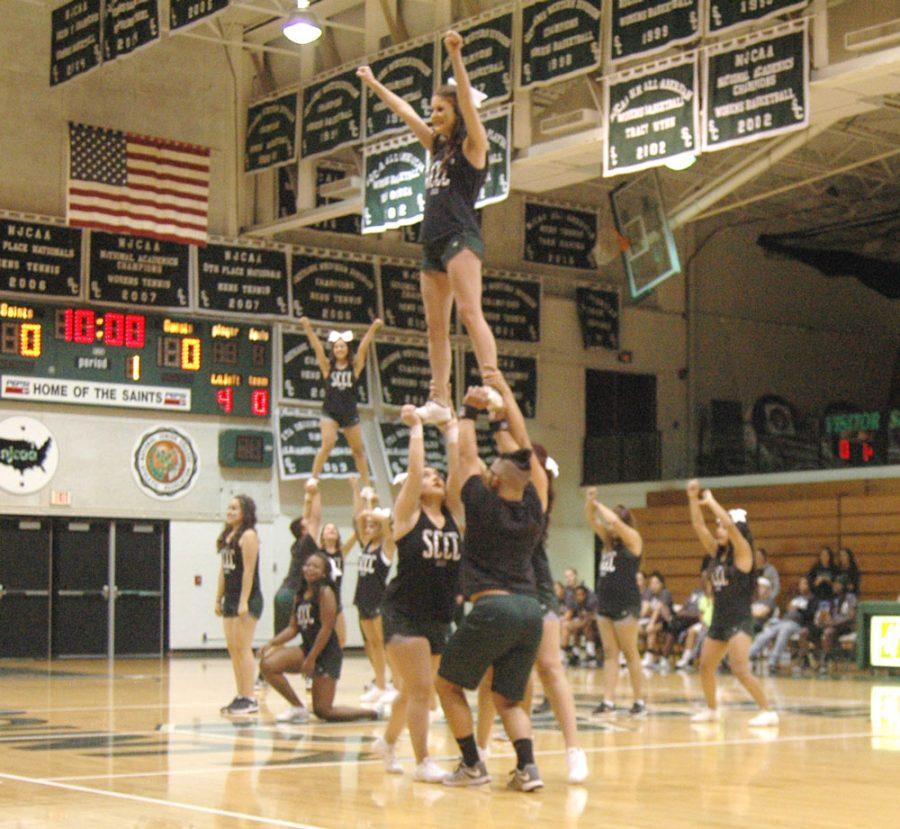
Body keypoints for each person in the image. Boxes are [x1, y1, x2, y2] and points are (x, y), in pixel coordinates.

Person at [358, 31, 497, 425]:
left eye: (440, 110)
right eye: (432, 109)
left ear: (457, 112)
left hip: (461, 238)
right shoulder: (437, 148)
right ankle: (439, 398)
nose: (433, 116)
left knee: (470, 313)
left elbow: (469, 110)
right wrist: (374, 85)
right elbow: (405, 114)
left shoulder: (474, 146)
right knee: (436, 329)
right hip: (433, 243)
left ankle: (493, 383)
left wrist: (455, 55)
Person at [435, 377, 548, 792]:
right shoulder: (534, 506)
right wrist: (500, 422)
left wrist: (467, 411)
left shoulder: (482, 503)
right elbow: (523, 458)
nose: (485, 467)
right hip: (530, 611)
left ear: (495, 482)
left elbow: (464, 455)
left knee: (447, 684)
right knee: (508, 699)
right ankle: (528, 769)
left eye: (490, 469)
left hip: (495, 607)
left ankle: (471, 765)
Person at [473, 403, 587, 783]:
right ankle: (482, 750)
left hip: (534, 586)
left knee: (550, 666)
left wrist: (501, 405)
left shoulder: (536, 495)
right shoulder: (496, 495)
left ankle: (574, 751)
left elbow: (518, 443)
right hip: (500, 588)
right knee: (494, 678)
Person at [370, 405, 463, 783]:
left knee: (411, 691)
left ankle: (388, 742)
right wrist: (417, 429)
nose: (434, 477)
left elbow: (458, 473)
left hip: (438, 614)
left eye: (437, 475)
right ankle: (423, 762)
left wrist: (453, 429)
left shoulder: (456, 515)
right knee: (424, 689)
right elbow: (413, 473)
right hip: (403, 612)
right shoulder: (407, 515)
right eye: (428, 475)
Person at [686, 480, 778, 727]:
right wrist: (693, 498)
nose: (718, 531)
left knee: (739, 668)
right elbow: (697, 525)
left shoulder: (744, 552)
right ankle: (712, 709)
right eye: (718, 528)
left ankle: (767, 711)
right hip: (720, 620)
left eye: (722, 529)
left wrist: (712, 502)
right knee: (705, 667)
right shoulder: (717, 554)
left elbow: (729, 525)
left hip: (739, 620)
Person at [259, 552, 378, 723]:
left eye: (315, 566)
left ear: (324, 573)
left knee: (324, 711)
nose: (310, 569)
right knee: (268, 665)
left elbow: (326, 629)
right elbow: (293, 628)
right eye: (307, 565)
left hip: (327, 654)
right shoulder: (300, 594)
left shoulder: (325, 592)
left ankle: (372, 713)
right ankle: (298, 707)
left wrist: (311, 659)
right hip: (307, 649)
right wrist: (271, 643)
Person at [299, 315, 382, 487]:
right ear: (333, 350)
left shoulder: (355, 366)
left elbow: (364, 347)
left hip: (349, 412)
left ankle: (366, 486)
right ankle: (314, 477)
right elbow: (316, 347)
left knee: (358, 451)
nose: (339, 349)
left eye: (342, 346)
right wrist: (307, 327)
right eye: (336, 347)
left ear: (347, 348)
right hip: (330, 411)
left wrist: (373, 328)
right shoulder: (327, 367)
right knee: (327, 444)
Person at [585, 491, 646, 716]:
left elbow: (611, 521)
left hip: (626, 604)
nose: (610, 527)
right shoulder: (608, 542)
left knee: (630, 653)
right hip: (605, 604)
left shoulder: (633, 539)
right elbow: (592, 520)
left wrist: (599, 504)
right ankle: (608, 701)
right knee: (610, 654)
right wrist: (589, 502)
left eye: (615, 522)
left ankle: (639, 701)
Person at [215, 495, 264, 716]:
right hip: (231, 598)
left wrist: (244, 600)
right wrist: (218, 598)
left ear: (245, 512)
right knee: (233, 649)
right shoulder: (228, 536)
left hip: (248, 597)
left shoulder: (249, 535)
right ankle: (240, 695)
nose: (230, 511)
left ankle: (250, 697)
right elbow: (223, 571)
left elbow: (249, 571)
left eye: (235, 508)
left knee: (243, 647)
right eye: (229, 507)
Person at [349, 476, 396, 704]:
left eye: (372, 526)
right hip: (363, 598)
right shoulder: (366, 543)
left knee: (384, 644)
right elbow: (360, 519)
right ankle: (380, 684)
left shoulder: (387, 546)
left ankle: (396, 683)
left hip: (379, 599)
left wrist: (375, 506)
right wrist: (358, 491)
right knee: (372, 644)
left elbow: (386, 525)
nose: (367, 528)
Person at [749, 576, 814, 672]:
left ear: (809, 585)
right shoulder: (795, 598)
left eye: (804, 583)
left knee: (784, 632)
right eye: (800, 584)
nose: (801, 586)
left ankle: (772, 662)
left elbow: (811, 616)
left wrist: (800, 610)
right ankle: (749, 655)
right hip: (783, 621)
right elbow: (788, 610)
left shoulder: (812, 599)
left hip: (797, 624)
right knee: (766, 634)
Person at [642, 572, 674, 670]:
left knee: (651, 630)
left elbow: (658, 610)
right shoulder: (648, 592)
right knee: (638, 629)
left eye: (656, 583)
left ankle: (650, 655)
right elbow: (644, 609)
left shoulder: (665, 593)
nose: (653, 585)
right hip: (653, 621)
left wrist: (651, 624)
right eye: (651, 583)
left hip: (667, 622)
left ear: (662, 584)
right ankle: (652, 656)